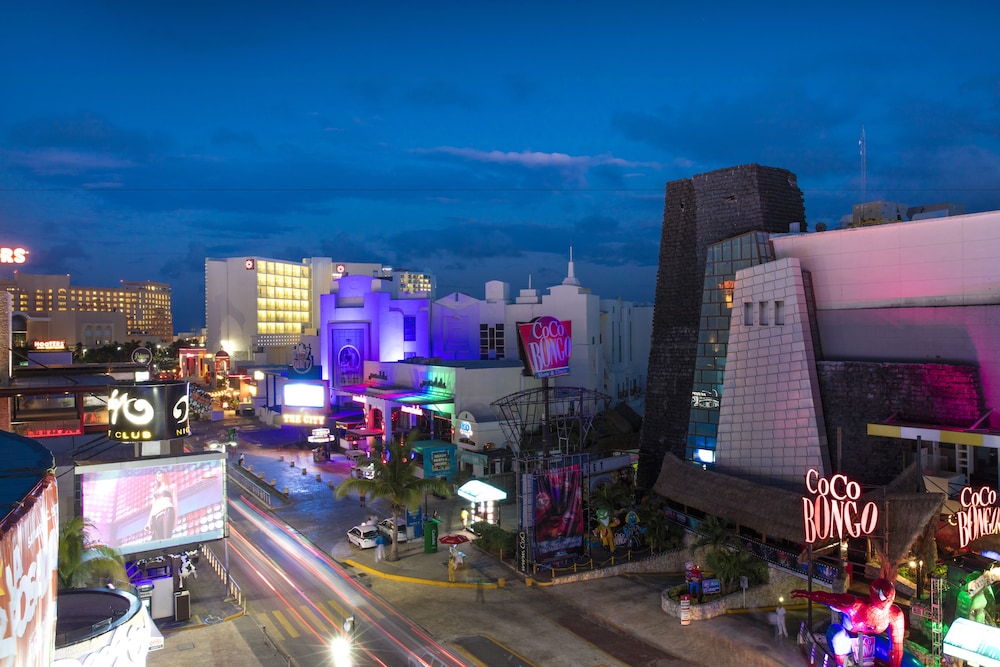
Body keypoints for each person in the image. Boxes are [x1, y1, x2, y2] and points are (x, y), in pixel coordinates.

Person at [145, 469, 178, 541]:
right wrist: (148, 522)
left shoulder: (172, 486)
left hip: (167, 511)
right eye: (156, 475)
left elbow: (175, 502)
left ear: (164, 474)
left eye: (159, 473)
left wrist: (175, 520)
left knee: (166, 537)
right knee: (157, 540)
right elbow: (153, 506)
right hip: (155, 516)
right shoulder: (155, 490)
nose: (158, 476)